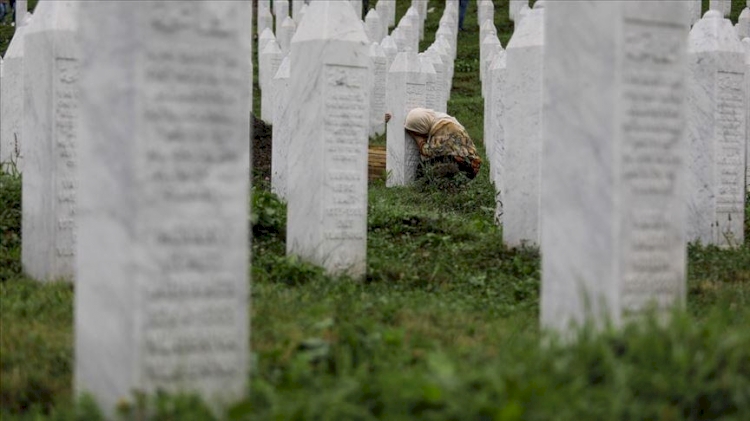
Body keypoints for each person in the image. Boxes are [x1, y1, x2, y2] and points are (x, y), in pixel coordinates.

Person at [385, 108, 481, 180]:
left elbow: (428, 152)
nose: (419, 133)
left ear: (421, 126)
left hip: (468, 169)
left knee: (423, 170)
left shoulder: (442, 127)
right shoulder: (442, 120)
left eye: (417, 130)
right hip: (468, 163)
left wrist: (417, 138)